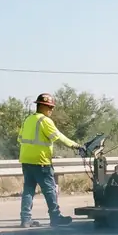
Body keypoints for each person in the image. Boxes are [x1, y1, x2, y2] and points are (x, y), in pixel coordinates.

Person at [17, 93, 84, 227]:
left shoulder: (28, 119)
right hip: (41, 161)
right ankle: (55, 217)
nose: (51, 110)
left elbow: (20, 139)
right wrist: (76, 145)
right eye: (49, 107)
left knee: (28, 190)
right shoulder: (45, 121)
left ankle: (25, 219)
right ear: (41, 106)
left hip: (26, 160)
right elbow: (58, 136)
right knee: (50, 190)